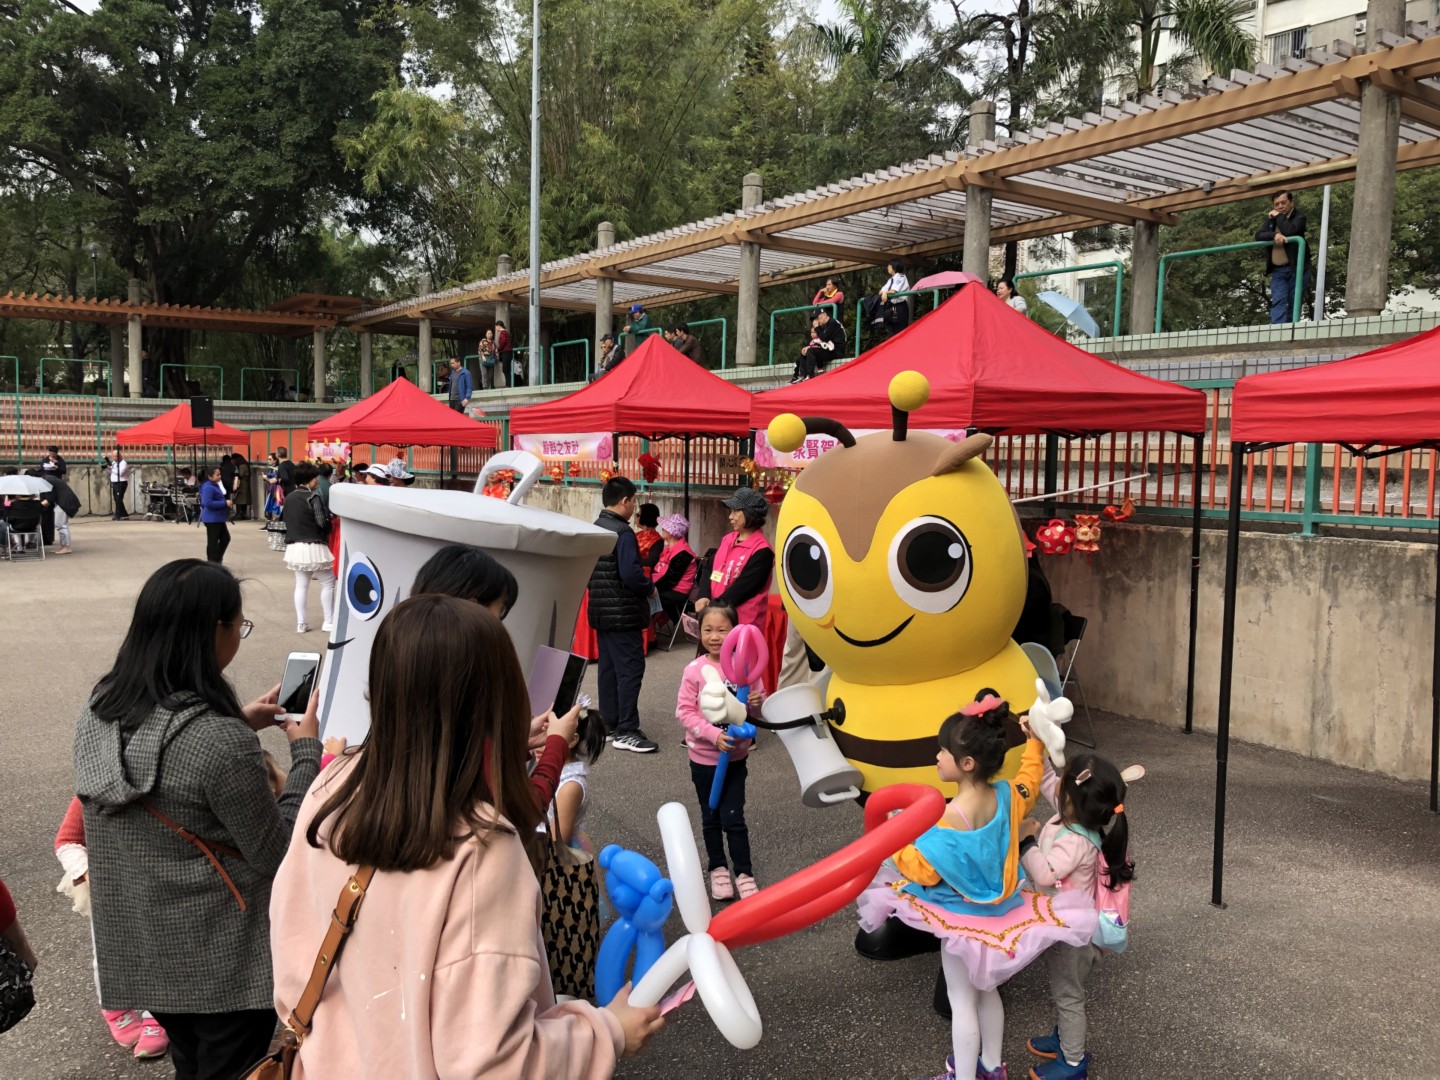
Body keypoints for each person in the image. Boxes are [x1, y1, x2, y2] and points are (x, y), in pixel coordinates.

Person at [270, 596, 661, 1077]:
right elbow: (494, 1063)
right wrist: (608, 1031)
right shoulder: (482, 849)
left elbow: (292, 949)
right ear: (496, 704)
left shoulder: (332, 785)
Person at [73, 559, 322, 1080]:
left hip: (144, 949)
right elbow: (280, 853)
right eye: (239, 625)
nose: (239, 634)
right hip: (225, 960)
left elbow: (169, 768)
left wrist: (236, 724)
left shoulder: (98, 710)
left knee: (193, 1063)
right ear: (214, 632)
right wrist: (306, 755)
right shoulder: (218, 742)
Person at [855, 693, 1095, 1080]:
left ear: (966, 764)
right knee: (987, 992)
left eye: (942, 752)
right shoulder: (1007, 797)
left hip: (959, 921)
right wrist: (1034, 741)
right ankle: (991, 1068)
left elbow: (923, 871)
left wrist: (893, 832)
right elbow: (1029, 781)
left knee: (961, 1001)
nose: (937, 757)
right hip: (1001, 915)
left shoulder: (948, 819)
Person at [410, 543, 581, 808]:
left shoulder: (403, 661)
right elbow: (522, 812)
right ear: (472, 608)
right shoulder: (479, 686)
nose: (500, 625)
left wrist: (517, 742)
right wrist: (557, 744)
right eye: (499, 611)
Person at [1020, 754, 1133, 1079]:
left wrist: (1027, 840)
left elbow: (1045, 873)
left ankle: (1072, 1062)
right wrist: (1035, 747)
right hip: (1066, 927)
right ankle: (1064, 1039)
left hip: (1074, 938)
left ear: (1071, 799)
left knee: (1068, 996)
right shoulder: (1075, 814)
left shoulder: (1075, 841)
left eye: (1065, 782)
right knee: (1064, 990)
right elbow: (1047, 782)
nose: (1058, 788)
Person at [53, 797, 172, 1059]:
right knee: (108, 954)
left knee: (162, 951)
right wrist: (93, 875)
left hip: (161, 888)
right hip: (108, 891)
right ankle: (115, 1009)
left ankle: (158, 1012)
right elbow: (67, 842)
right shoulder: (92, 789)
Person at [676, 604, 765, 900]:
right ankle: (718, 868)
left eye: (722, 630)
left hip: (736, 760)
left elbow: (756, 709)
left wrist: (754, 701)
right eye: (708, 630)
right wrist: (714, 736)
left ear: (735, 632)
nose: (714, 636)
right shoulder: (694, 670)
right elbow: (685, 712)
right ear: (699, 632)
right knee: (710, 816)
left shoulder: (745, 666)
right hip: (703, 760)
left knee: (734, 817)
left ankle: (743, 872)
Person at [587, 477, 657, 753]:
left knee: (608, 668)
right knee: (629, 669)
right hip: (623, 611)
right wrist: (649, 587)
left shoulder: (596, 527)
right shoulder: (623, 533)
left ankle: (609, 723)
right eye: (633, 501)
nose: (634, 507)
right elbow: (630, 574)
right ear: (626, 501)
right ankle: (627, 729)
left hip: (601, 610)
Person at [693, 487, 775, 636]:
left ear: (750, 513)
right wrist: (703, 594)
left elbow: (742, 589)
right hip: (717, 620)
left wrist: (712, 608)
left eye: (736, 511)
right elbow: (710, 567)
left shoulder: (762, 551)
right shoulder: (728, 539)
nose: (731, 516)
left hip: (742, 625)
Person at [284, 463, 336, 634]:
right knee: (328, 582)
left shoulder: (289, 498)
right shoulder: (314, 497)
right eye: (315, 478)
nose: (318, 481)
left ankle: (301, 623)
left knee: (301, 585)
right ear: (308, 480)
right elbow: (322, 522)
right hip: (314, 545)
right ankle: (328, 621)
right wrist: (329, 525)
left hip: (295, 547)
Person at [550, 705, 607, 850]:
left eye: (549, 736)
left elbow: (554, 844)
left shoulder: (570, 787)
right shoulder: (544, 766)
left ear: (572, 740)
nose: (538, 743)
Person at [1255, 190, 1307, 325]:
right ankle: (1278, 329)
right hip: (1278, 270)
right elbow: (1259, 235)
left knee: (1294, 300)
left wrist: (1278, 217)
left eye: (1283, 203)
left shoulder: (1299, 217)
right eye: (1276, 204)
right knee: (1278, 299)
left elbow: (1290, 230)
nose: (1279, 206)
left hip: (1297, 268)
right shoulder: (1270, 220)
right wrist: (1274, 236)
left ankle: (1290, 329)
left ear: (1291, 202)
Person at [650, 513, 697, 623]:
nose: (663, 528)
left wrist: (650, 588)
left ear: (672, 532)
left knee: (642, 596)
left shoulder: (683, 553)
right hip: (665, 586)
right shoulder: (670, 547)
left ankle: (648, 632)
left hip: (676, 591)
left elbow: (670, 580)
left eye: (666, 527)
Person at [793, 306, 847, 383]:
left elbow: (824, 339)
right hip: (829, 349)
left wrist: (817, 328)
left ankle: (810, 377)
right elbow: (822, 342)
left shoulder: (832, 323)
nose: (817, 321)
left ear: (824, 314)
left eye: (817, 317)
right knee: (804, 353)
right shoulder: (825, 325)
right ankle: (802, 376)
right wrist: (808, 347)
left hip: (836, 351)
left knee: (811, 351)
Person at [199, 465, 232, 563]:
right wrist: (224, 503)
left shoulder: (214, 485)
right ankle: (213, 561)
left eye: (220, 474)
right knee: (213, 542)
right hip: (212, 519)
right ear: (210, 477)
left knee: (225, 538)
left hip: (218, 518)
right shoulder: (208, 487)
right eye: (217, 475)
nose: (220, 476)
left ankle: (216, 559)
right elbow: (207, 503)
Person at [634, 502, 663, 568]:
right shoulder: (636, 534)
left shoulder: (657, 540)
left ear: (645, 517)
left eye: (638, 515)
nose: (636, 517)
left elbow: (652, 562)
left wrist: (631, 559)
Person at [107, 450, 129, 520]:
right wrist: (108, 468)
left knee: (119, 499)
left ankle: (118, 514)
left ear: (119, 456)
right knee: (117, 499)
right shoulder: (114, 463)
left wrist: (112, 468)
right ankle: (124, 514)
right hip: (115, 482)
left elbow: (120, 473)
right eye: (113, 456)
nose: (113, 458)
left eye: (115, 456)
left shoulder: (123, 463)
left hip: (121, 482)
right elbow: (112, 472)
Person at [496, 320, 519, 387]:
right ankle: (509, 384)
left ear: (498, 326)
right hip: (508, 352)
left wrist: (498, 349)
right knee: (507, 369)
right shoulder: (506, 332)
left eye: (496, 327)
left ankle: (508, 384)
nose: (496, 328)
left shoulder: (503, 333)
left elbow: (503, 342)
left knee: (505, 369)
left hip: (506, 352)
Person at [230, 452, 251, 521]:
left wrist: (235, 474)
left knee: (240, 500)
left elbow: (240, 474)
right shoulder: (242, 465)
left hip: (242, 484)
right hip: (243, 484)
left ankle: (240, 514)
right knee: (241, 500)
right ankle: (242, 514)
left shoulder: (242, 465)